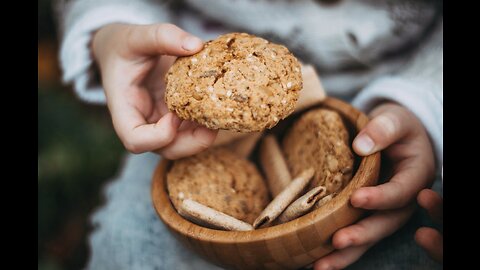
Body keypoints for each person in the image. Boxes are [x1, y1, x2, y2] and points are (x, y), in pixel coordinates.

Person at [57, 0, 443, 269]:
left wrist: (423, 100)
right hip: (183, 115)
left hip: (401, 102)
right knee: (128, 246)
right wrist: (111, 31)